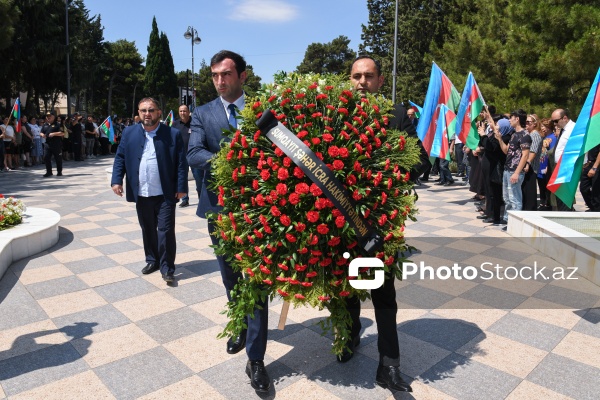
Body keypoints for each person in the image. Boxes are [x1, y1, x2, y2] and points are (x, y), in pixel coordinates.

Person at [187, 50, 271, 393]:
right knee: (230, 275)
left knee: (257, 279)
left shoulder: (262, 109)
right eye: (215, 76)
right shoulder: (202, 113)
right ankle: (239, 321)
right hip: (220, 210)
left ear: (242, 75)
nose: (220, 81)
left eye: (226, 74)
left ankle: (256, 357)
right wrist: (230, 158)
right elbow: (193, 152)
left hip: (260, 209)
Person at [344, 55, 415, 392]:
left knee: (383, 294)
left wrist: (385, 176)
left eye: (368, 76)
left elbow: (421, 163)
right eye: (356, 76)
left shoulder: (398, 115)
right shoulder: (334, 117)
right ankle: (349, 335)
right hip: (339, 223)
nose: (362, 82)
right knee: (345, 287)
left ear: (380, 81)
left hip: (378, 225)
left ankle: (389, 364)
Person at [111, 97, 188, 284]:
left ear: (159, 112)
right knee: (147, 229)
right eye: (143, 110)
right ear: (138, 113)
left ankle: (167, 267)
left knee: (165, 231)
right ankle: (152, 260)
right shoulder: (129, 133)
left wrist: (181, 187)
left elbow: (181, 163)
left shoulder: (172, 134)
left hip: (165, 193)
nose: (147, 114)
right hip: (142, 193)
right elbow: (120, 157)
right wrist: (116, 180)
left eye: (151, 110)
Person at [490, 109, 531, 231]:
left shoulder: (525, 136)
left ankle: (517, 225)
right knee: (507, 197)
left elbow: (525, 155)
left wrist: (517, 172)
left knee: (515, 198)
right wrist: (500, 139)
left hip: (515, 171)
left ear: (517, 119)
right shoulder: (514, 134)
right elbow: (506, 151)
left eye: (511, 117)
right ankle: (509, 221)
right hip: (507, 170)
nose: (509, 120)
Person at [173, 104, 203, 208]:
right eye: (180, 111)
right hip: (181, 156)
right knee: (182, 178)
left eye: (184, 111)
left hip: (195, 155)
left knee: (199, 178)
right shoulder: (175, 125)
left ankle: (201, 199)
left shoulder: (195, 123)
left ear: (188, 112)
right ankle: (185, 199)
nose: (182, 113)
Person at [550, 108, 576, 210]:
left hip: (567, 168)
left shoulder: (573, 129)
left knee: (564, 198)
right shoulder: (563, 130)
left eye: (556, 121)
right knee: (559, 197)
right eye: (553, 121)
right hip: (560, 167)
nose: (554, 124)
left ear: (564, 118)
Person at [521, 114, 542, 210]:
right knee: (525, 189)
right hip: (526, 165)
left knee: (530, 190)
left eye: (528, 122)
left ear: (534, 124)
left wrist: (528, 163)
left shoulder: (535, 135)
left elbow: (533, 151)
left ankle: (530, 209)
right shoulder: (528, 134)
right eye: (525, 122)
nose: (526, 124)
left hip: (531, 167)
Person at [40, 111, 64, 177]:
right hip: (47, 144)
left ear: (53, 117)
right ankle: (49, 172)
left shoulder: (58, 124)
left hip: (56, 144)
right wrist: (42, 135)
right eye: (47, 116)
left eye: (50, 116)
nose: (48, 118)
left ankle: (59, 172)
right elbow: (41, 132)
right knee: (46, 157)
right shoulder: (45, 125)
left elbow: (62, 133)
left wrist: (54, 134)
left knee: (58, 158)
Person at [580, 143, 600, 211]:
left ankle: (596, 210)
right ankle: (594, 208)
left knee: (596, 192)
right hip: (589, 164)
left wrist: (594, 167)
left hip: (596, 165)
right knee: (583, 189)